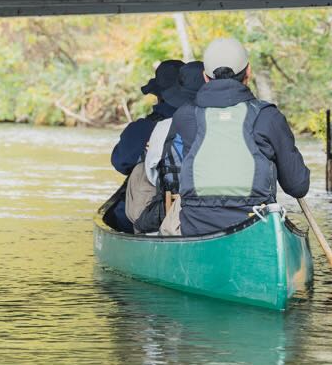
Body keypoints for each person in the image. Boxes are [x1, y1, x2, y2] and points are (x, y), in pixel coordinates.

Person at [158, 37, 309, 237]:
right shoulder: (268, 116)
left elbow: (173, 175)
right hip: (257, 227)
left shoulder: (184, 116)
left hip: (195, 230)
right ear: (248, 72)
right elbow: (298, 185)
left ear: (205, 76)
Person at [108, 59, 183, 233]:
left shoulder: (143, 128)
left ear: (158, 95)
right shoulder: (205, 123)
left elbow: (120, 162)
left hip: (149, 215)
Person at [131, 61, 204, 234]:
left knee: (141, 170)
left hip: (177, 205)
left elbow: (151, 173)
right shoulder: (229, 125)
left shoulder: (163, 127)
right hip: (221, 203)